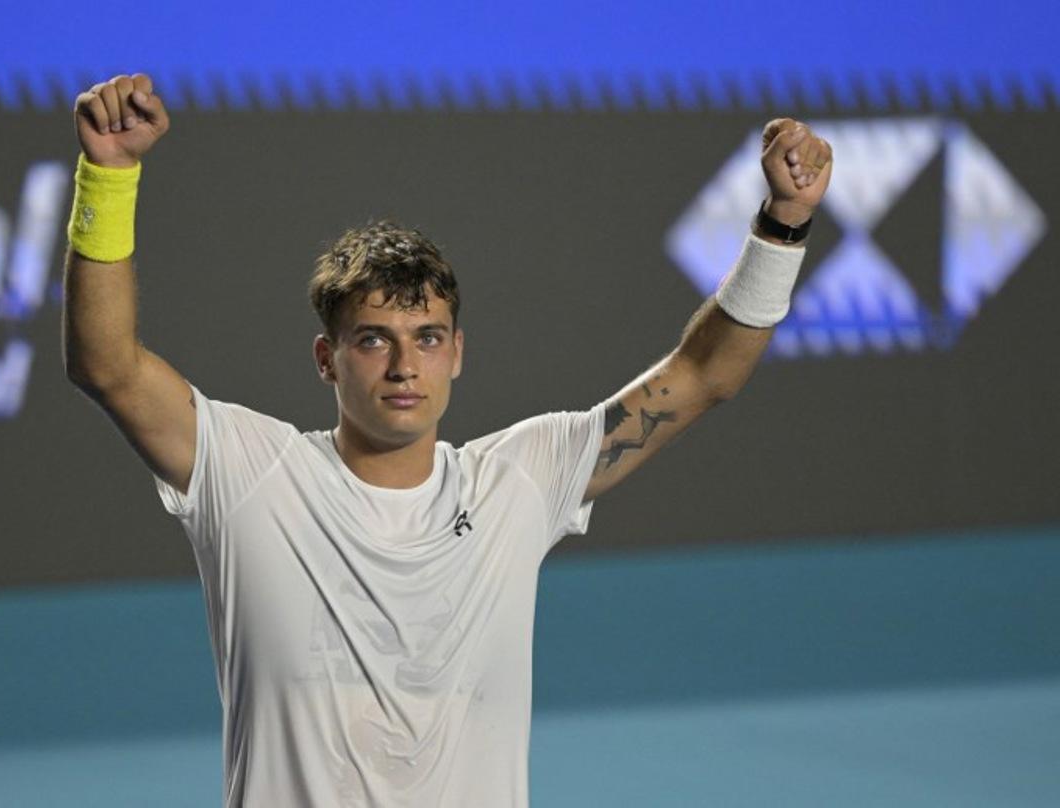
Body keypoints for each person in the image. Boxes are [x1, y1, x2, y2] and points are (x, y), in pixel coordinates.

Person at [62, 73, 833, 808]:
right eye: (373, 340)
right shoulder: (248, 472)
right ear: (327, 359)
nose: (404, 366)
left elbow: (703, 376)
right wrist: (109, 176)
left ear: (457, 353)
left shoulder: (521, 479)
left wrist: (783, 226)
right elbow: (108, 367)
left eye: (427, 338)